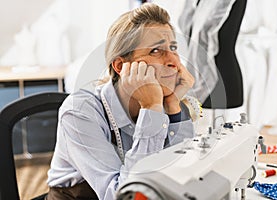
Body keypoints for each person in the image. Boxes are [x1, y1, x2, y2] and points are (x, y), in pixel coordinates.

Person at [46, 3, 195, 200]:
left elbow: (182, 168)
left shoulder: (164, 103)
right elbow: (123, 196)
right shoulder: (79, 111)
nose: (174, 61)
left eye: (173, 48)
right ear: (120, 66)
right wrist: (151, 108)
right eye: (156, 50)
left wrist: (173, 106)